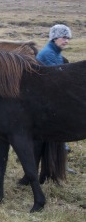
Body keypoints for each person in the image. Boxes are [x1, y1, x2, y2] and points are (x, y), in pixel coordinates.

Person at [36, 24, 76, 173]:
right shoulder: (48, 54)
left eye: (68, 38)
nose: (66, 41)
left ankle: (58, 164)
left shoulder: (56, 52)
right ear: (54, 38)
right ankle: (57, 166)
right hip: (47, 101)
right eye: (64, 37)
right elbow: (56, 80)